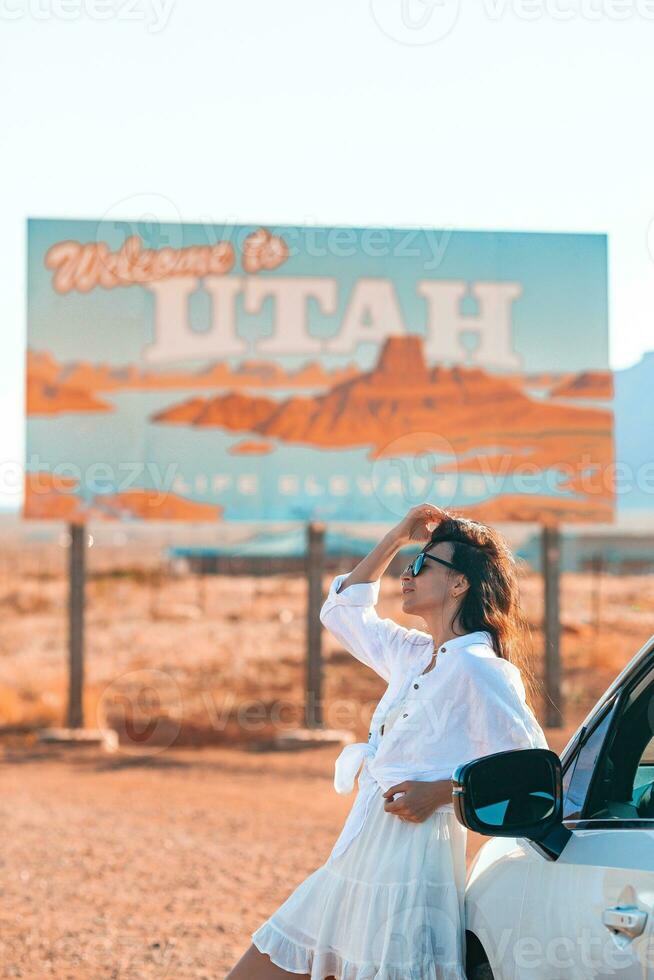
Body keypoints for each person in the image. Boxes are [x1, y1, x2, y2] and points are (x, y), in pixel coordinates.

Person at [226, 503, 549, 980]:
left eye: (422, 565)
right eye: (408, 563)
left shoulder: (481, 669)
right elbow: (341, 610)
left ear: (460, 583)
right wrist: (399, 536)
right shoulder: (413, 654)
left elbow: (533, 774)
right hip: (357, 853)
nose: (407, 574)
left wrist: (444, 792)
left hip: (413, 869)